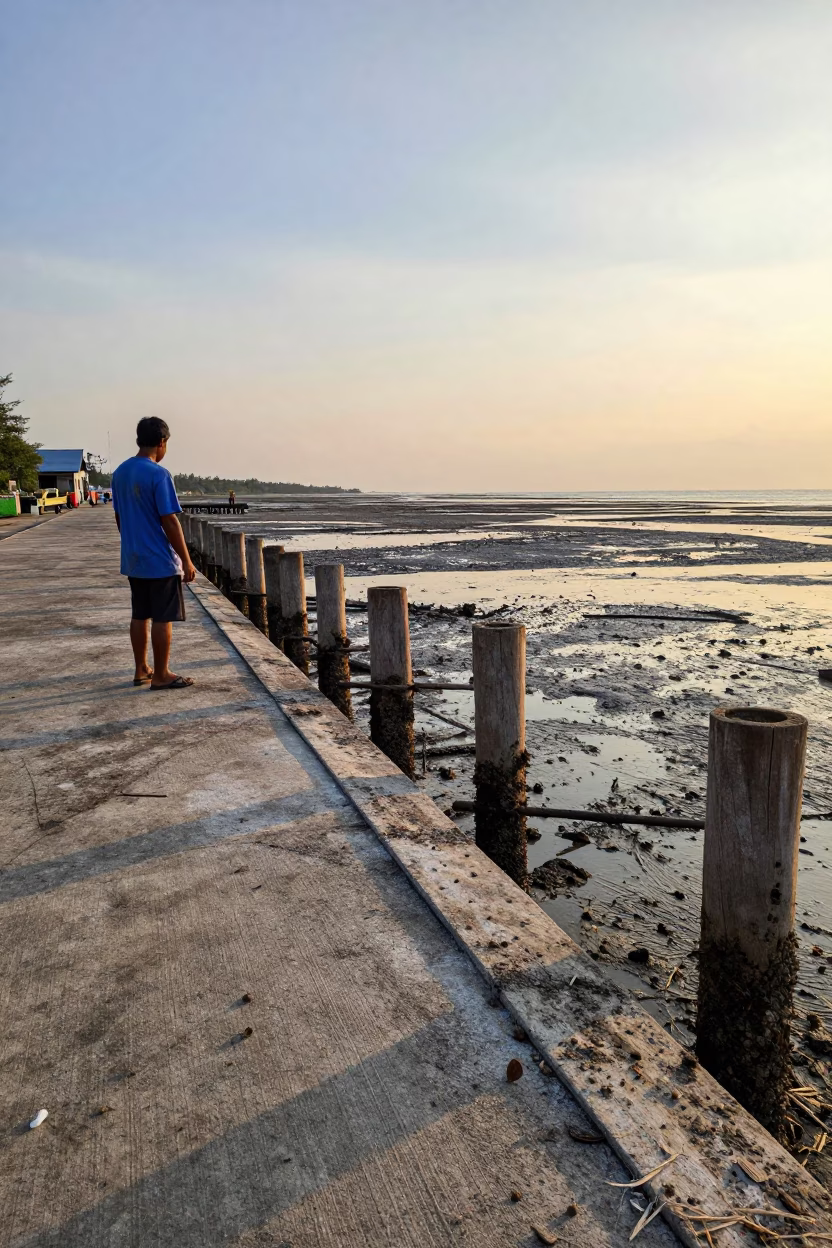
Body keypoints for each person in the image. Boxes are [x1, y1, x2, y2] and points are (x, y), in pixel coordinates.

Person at [111, 417, 197, 689]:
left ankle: (140, 669)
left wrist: (132, 543)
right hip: (159, 561)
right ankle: (161, 674)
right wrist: (186, 560)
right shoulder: (159, 474)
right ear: (162, 443)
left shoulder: (120, 473)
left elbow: (119, 517)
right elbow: (169, 520)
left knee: (140, 614)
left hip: (134, 559)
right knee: (162, 617)